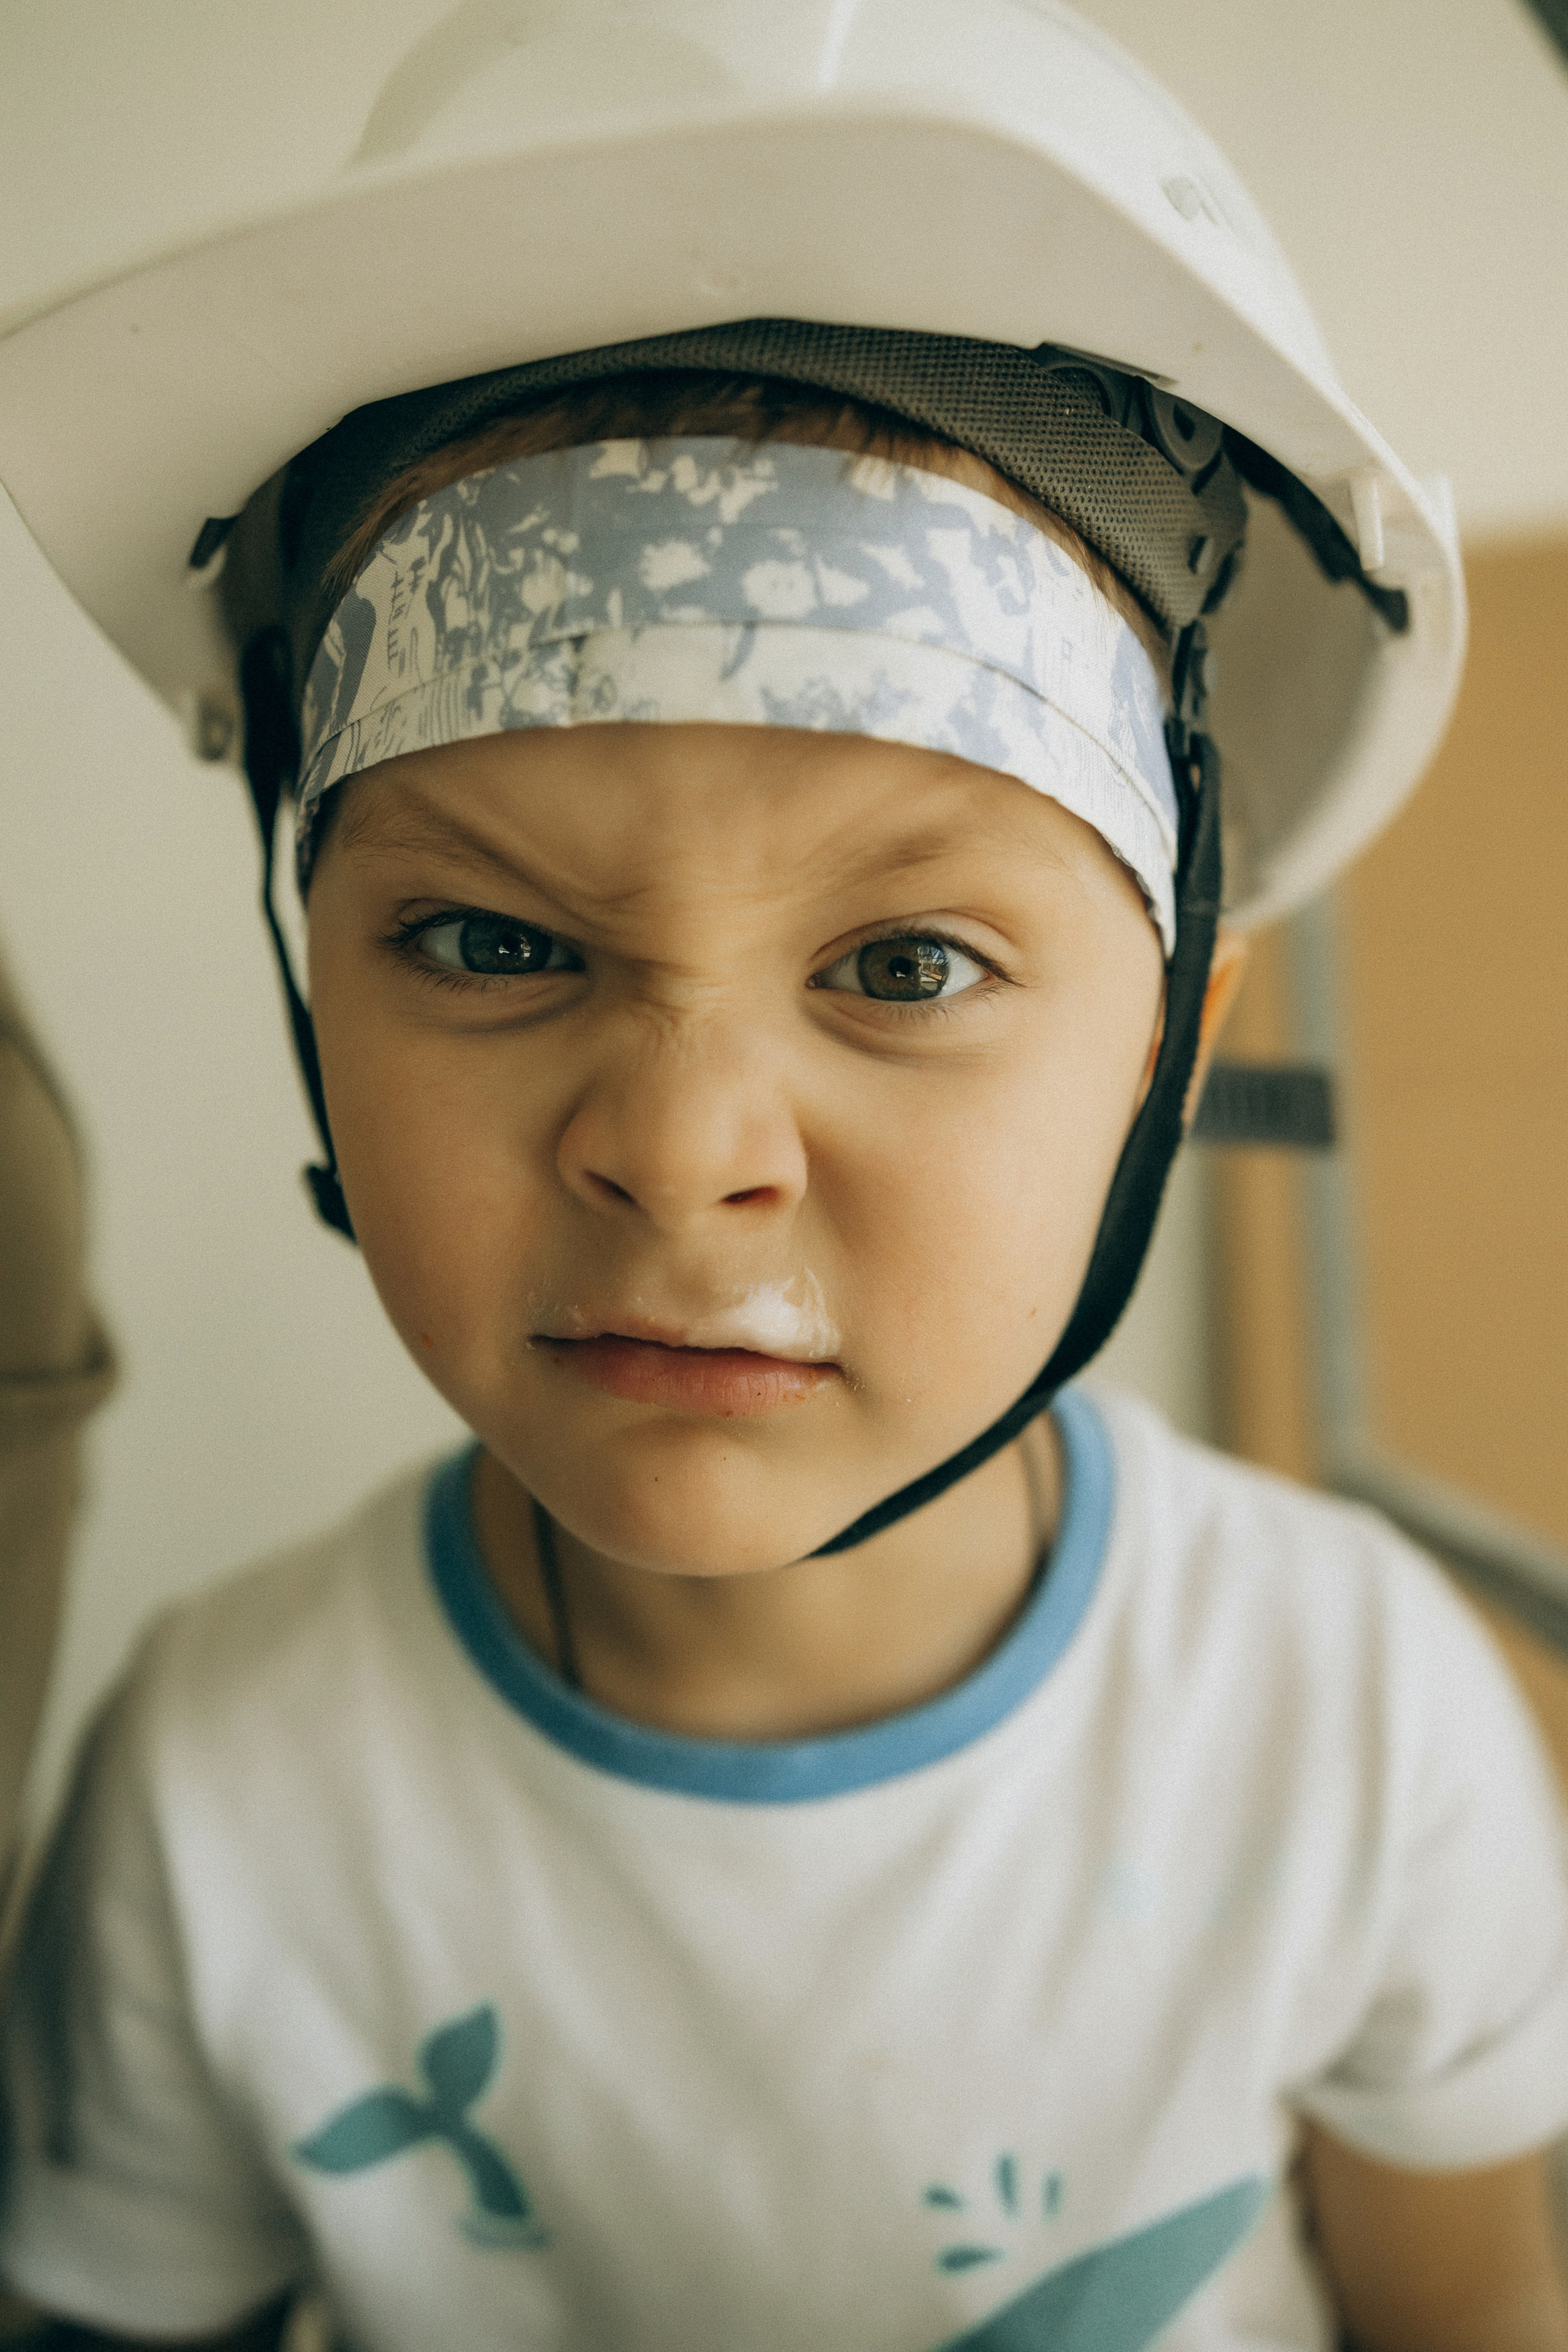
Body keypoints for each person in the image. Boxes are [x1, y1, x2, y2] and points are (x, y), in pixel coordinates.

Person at [1, 7, 1564, 2348]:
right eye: (495, 942)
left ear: (1173, 1057)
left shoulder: (1349, 1717)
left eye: (907, 965)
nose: (677, 1151)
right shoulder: (218, 1794)